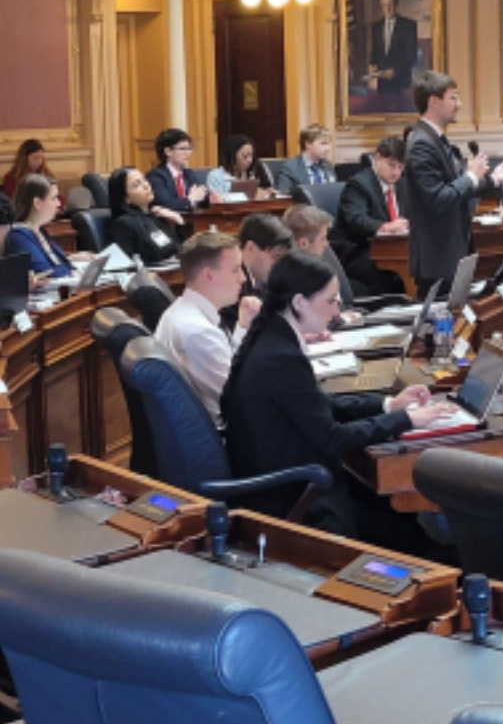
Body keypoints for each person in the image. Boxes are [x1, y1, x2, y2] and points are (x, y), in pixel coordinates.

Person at [222, 251, 453, 536]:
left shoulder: (272, 337)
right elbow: (332, 438)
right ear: (298, 303)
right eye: (330, 301)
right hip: (295, 498)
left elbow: (317, 405)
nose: (336, 311)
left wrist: (388, 404)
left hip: (296, 477)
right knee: (412, 532)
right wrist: (407, 420)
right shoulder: (280, 357)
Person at [404, 71, 503, 299]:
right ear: (434, 101)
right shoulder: (421, 144)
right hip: (436, 257)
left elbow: (459, 190)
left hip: (452, 252)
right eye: (453, 98)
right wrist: (471, 177)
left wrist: (493, 179)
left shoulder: (437, 140)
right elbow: (438, 199)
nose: (460, 104)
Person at [155, 231, 260, 429]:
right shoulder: (198, 333)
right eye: (236, 270)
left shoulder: (184, 312)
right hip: (233, 437)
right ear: (208, 275)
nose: (243, 278)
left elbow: (231, 367)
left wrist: (243, 326)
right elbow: (244, 398)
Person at [337, 135, 408, 295]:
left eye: (401, 167)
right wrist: (385, 227)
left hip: (399, 250)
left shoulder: (403, 185)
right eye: (391, 165)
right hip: (363, 251)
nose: (396, 172)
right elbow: (356, 219)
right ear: (377, 158)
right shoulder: (358, 185)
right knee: (387, 275)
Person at [5, 175, 89, 277]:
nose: (58, 203)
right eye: (54, 198)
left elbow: (62, 264)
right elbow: (44, 272)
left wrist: (72, 264)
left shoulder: (40, 230)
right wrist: (71, 272)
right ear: (37, 203)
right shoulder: (18, 236)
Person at [108, 167, 184, 265]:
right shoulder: (123, 224)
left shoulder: (155, 216)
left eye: (144, 179)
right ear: (126, 198)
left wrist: (179, 221)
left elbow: (182, 252)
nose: (146, 185)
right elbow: (126, 265)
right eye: (137, 185)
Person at [282, 203, 355, 307]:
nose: (327, 244)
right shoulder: (291, 281)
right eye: (323, 238)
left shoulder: (320, 263)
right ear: (303, 243)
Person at [146, 128, 208, 212]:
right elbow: (166, 204)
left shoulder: (188, 174)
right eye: (182, 149)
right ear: (168, 151)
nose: (188, 153)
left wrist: (208, 196)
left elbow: (201, 198)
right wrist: (190, 200)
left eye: (189, 149)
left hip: (192, 221)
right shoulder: (156, 176)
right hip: (167, 223)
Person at [368, 0, 418, 94]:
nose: (387, 8)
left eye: (390, 4)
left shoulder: (408, 25)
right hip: (383, 84)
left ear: (396, 4)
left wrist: (395, 71)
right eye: (384, 5)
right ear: (381, 6)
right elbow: (375, 52)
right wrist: (372, 64)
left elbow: (411, 56)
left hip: (402, 83)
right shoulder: (376, 27)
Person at [207, 134, 273, 199]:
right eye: (245, 156)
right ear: (231, 156)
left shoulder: (257, 169)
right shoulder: (216, 176)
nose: (249, 160)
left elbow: (270, 190)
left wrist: (267, 194)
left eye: (251, 156)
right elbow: (216, 202)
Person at [275, 124, 336, 194]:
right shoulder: (290, 168)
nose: (328, 149)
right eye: (323, 144)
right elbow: (284, 196)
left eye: (329, 144)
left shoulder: (328, 165)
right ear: (308, 144)